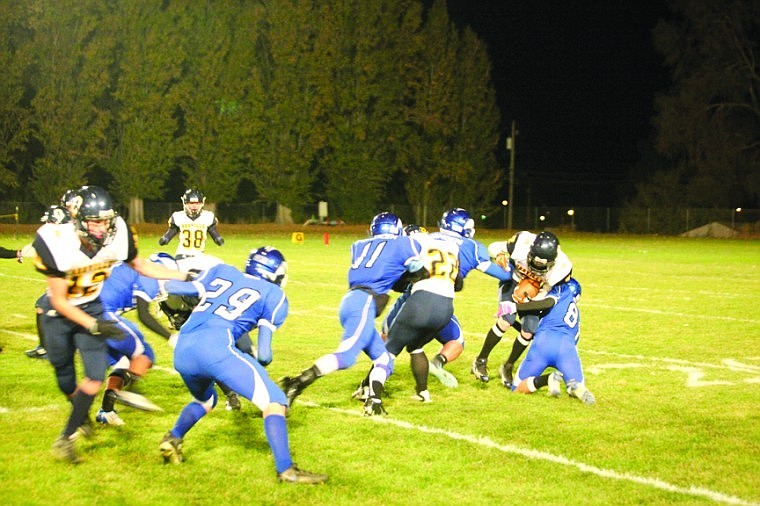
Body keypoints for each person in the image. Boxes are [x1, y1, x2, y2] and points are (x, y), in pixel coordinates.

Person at [32, 185, 190, 464]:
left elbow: (141, 266)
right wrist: (94, 326)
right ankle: (80, 414)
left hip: (92, 305)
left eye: (105, 221)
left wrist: (182, 275)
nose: (102, 228)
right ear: (79, 219)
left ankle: (66, 439)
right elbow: (58, 300)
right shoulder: (55, 240)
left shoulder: (119, 233)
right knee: (65, 376)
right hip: (59, 314)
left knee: (94, 376)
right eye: (95, 221)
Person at [157, 246, 327, 484]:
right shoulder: (274, 295)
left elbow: (175, 288)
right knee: (275, 401)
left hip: (183, 347)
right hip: (216, 348)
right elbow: (265, 355)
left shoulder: (222, 270)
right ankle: (287, 470)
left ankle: (173, 438)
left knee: (205, 400)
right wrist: (250, 359)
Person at [279, 212, 424, 410]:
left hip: (351, 301)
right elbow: (418, 270)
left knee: (383, 359)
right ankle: (297, 382)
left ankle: (374, 400)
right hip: (364, 303)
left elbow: (382, 269)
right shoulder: (404, 244)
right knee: (346, 357)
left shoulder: (359, 246)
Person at [362, 218, 461, 415]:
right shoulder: (449, 247)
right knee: (416, 346)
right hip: (446, 307)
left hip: (421, 302)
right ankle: (422, 392)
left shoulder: (413, 244)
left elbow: (400, 277)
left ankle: (372, 398)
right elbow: (459, 284)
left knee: (388, 351)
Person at [472, 230, 572, 388]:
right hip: (512, 281)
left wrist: (530, 299)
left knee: (528, 331)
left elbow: (546, 292)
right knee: (506, 321)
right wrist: (499, 255)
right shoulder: (521, 243)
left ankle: (508, 366)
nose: (537, 267)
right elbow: (493, 247)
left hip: (535, 293)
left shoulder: (562, 267)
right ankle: (480, 360)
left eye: (542, 265)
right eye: (535, 262)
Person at [95, 255, 179, 425]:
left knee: (123, 362)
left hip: (85, 312)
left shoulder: (132, 268)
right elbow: (144, 315)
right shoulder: (148, 275)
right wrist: (170, 337)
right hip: (101, 314)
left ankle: (106, 411)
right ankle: (130, 393)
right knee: (145, 354)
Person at [504, 277, 595, 404]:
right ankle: (575, 388)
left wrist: (512, 310)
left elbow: (531, 330)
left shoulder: (559, 291)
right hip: (567, 349)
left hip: (544, 343)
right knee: (575, 384)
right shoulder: (575, 315)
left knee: (517, 389)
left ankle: (547, 379)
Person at [26, 189, 81, 360]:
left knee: (46, 306)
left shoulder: (78, 226)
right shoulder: (71, 225)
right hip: (72, 276)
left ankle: (50, 348)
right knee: (45, 306)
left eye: (68, 205)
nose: (67, 208)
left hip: (79, 277)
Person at [158, 188, 224, 269]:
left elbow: (214, 232)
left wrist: (218, 238)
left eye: (197, 203)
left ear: (202, 203)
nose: (194, 206)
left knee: (219, 265)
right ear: (185, 203)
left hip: (199, 256)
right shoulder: (178, 216)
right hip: (182, 256)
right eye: (191, 203)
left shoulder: (208, 217)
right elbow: (171, 232)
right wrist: (165, 238)